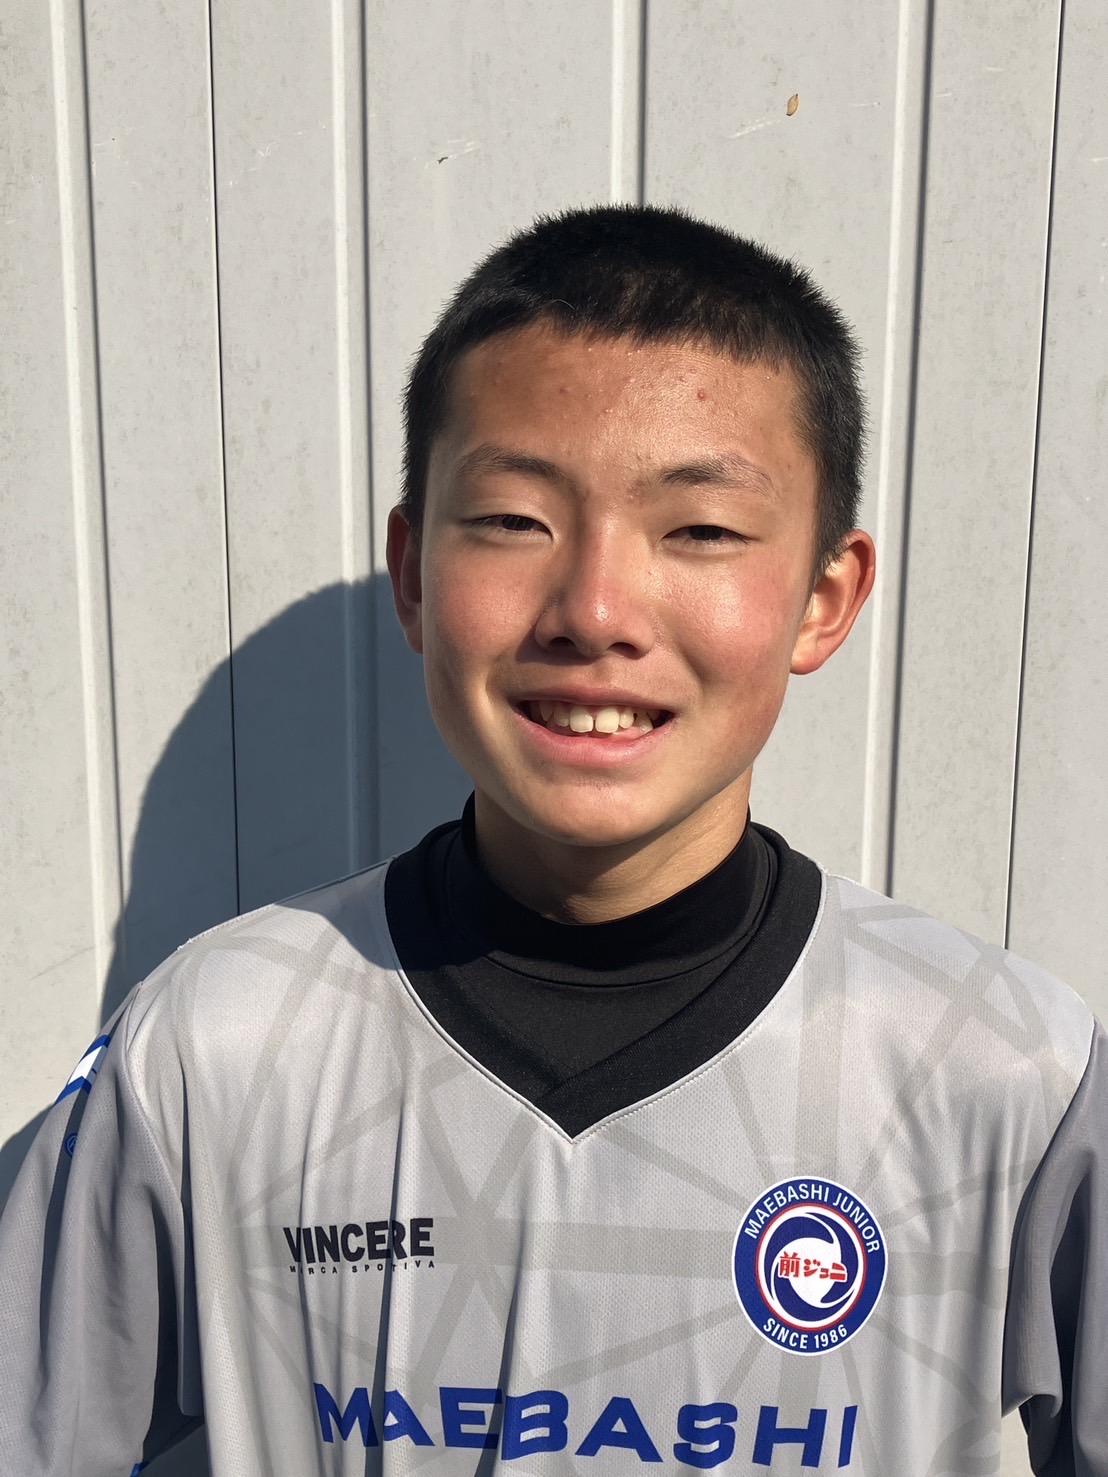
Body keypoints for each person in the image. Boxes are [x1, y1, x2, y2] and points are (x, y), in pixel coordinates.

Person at [0, 205, 1103, 1476]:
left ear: (823, 595)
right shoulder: (216, 1045)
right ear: (414, 573)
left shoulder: (1004, 1064)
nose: (594, 609)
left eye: (700, 528)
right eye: (514, 519)